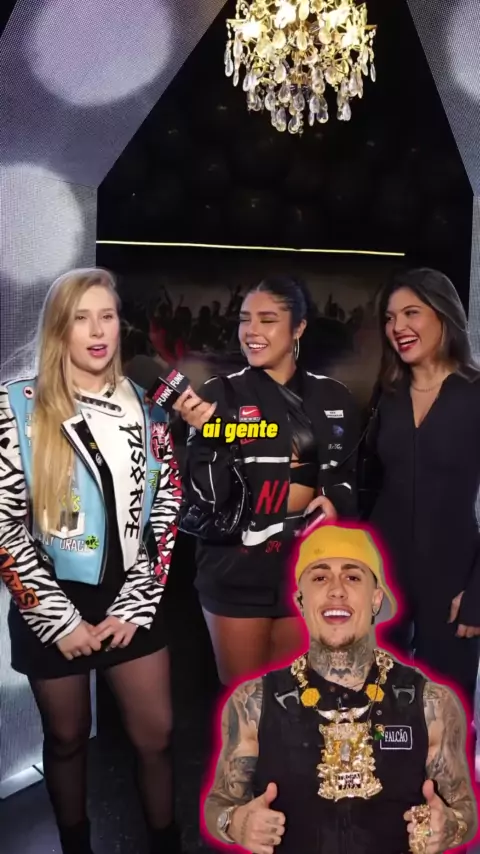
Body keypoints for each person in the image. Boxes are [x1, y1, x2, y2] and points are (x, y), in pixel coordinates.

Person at [0, 269, 182, 854]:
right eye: (81, 318)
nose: (98, 331)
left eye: (106, 316)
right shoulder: (16, 406)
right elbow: (3, 523)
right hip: (51, 598)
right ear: (60, 329)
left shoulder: (149, 409)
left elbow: (166, 508)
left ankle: (167, 845)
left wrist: (137, 601)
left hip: (134, 594)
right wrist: (57, 619)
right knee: (68, 738)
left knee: (157, 737)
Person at [203, 523, 477, 854]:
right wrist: (234, 823)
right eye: (320, 577)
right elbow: (219, 803)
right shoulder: (253, 702)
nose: (337, 590)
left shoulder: (431, 702)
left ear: (376, 599)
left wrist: (451, 826)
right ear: (300, 600)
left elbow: (466, 811)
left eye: (353, 577)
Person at [173, 276, 359, 685]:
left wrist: (334, 502)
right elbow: (205, 498)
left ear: (299, 327)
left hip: (308, 570)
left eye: (267, 320)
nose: (251, 331)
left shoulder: (334, 397)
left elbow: (348, 479)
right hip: (236, 572)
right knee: (247, 701)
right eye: (245, 319)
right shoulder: (219, 394)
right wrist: (210, 438)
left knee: (295, 698)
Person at [359, 267, 480, 702]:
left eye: (411, 313)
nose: (398, 327)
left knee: (446, 714)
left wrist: (478, 593)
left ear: (443, 315)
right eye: (390, 318)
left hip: (454, 580)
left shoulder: (475, 393)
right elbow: (368, 485)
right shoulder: (388, 395)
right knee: (375, 709)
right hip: (382, 577)